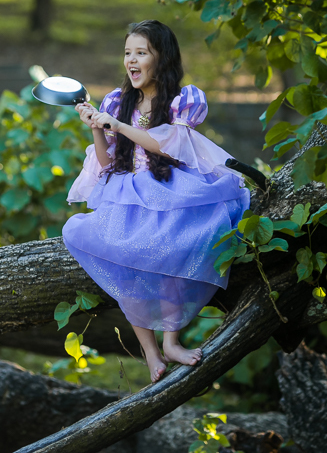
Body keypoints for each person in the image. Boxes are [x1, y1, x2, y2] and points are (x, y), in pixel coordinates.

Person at [62, 20, 250, 383]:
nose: (131, 60)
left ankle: (172, 341)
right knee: (128, 263)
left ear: (161, 59)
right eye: (127, 53)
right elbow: (105, 163)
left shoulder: (182, 101)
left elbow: (164, 144)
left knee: (169, 250)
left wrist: (115, 125)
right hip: (128, 191)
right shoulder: (117, 103)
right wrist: (98, 129)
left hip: (168, 187)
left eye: (141, 53)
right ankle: (150, 352)